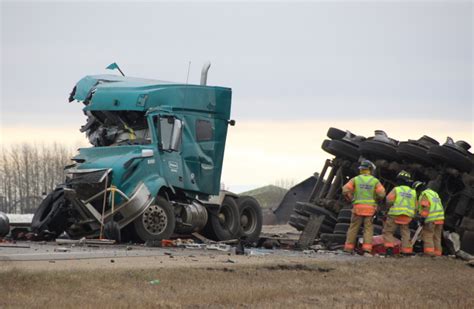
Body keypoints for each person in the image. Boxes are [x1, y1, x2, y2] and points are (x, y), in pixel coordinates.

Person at [342, 160, 386, 255]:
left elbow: (345, 190)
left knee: (353, 228)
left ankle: (348, 248)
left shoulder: (355, 179)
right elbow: (382, 194)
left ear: (361, 169)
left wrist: (351, 198)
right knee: (368, 229)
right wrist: (375, 198)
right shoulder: (374, 181)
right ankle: (367, 249)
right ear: (370, 169)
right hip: (370, 209)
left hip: (357, 208)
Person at [383, 170, 417, 256]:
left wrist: (388, 209)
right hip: (407, 216)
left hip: (395, 214)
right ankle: (406, 251)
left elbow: (388, 200)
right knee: (405, 233)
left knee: (389, 232)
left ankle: (389, 248)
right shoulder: (413, 192)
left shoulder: (396, 189)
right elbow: (416, 206)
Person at [413, 181, 445, 256]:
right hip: (440, 218)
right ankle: (438, 253)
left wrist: (423, 218)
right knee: (437, 237)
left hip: (431, 219)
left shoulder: (424, 194)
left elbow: (425, 207)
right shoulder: (434, 193)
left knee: (428, 235)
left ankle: (429, 253)